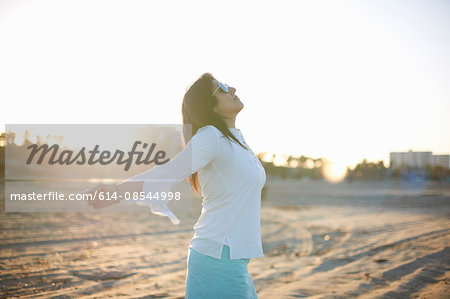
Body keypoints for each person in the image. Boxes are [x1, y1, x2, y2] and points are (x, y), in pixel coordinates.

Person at [86, 73, 266, 298]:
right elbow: (169, 171)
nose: (232, 89)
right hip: (217, 258)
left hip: (231, 258)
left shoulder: (236, 139)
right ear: (208, 107)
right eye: (221, 88)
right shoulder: (211, 136)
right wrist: (117, 191)